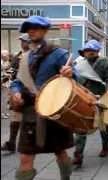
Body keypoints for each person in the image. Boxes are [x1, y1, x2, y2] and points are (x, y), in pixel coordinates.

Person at [10, 16, 75, 180]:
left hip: (53, 113)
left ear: (45, 30)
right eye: (28, 28)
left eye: (36, 27)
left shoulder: (58, 54)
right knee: (25, 157)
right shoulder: (25, 57)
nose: (31, 30)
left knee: (60, 152)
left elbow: (77, 79)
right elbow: (17, 81)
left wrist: (71, 74)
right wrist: (16, 91)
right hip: (31, 112)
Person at [72, 39, 108, 167]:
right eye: (87, 51)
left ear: (97, 51)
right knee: (81, 127)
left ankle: (105, 146)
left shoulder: (105, 63)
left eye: (91, 51)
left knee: (103, 127)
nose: (89, 53)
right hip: (83, 98)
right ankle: (78, 155)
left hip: (100, 98)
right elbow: (74, 78)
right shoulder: (80, 64)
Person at [1, 34, 30, 153]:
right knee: (16, 116)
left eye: (24, 41)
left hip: (36, 91)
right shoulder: (18, 57)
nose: (22, 44)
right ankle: (12, 143)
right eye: (22, 41)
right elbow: (11, 73)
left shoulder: (38, 56)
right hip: (20, 89)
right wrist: (5, 80)